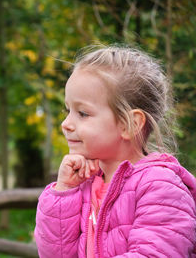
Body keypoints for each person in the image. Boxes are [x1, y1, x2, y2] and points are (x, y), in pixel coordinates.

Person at [34, 45, 196, 257]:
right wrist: (64, 193)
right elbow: (55, 253)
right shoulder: (85, 183)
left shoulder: (159, 186)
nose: (66, 123)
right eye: (68, 110)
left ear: (130, 124)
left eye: (82, 113)